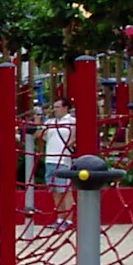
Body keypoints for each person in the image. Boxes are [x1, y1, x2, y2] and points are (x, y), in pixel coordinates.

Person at [44, 98, 76, 229]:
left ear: (65, 108)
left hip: (63, 159)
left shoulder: (72, 121)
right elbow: (42, 135)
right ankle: (60, 218)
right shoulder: (50, 122)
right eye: (54, 107)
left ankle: (68, 220)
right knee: (55, 191)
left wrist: (66, 147)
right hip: (49, 158)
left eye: (58, 107)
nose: (55, 109)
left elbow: (75, 136)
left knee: (65, 190)